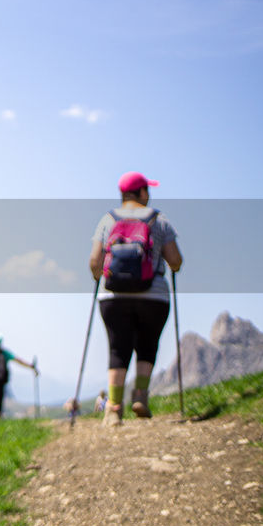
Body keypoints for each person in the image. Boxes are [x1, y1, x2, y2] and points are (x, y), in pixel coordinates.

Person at [88, 171, 183, 425]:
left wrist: (100, 275)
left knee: (117, 348)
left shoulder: (107, 220)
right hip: (153, 296)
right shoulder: (159, 220)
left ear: (122, 194)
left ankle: (114, 408)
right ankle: (140, 395)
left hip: (113, 296)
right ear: (142, 193)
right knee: (147, 345)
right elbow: (175, 261)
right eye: (147, 190)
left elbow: (95, 262)